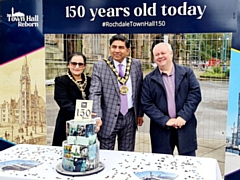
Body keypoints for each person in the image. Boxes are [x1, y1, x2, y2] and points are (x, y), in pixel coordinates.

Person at [141, 42, 202, 156]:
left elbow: (195, 94)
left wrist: (183, 116)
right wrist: (165, 120)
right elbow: (146, 104)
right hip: (161, 129)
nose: (160, 56)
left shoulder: (187, 73)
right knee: (161, 165)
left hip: (185, 125)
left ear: (171, 54)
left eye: (163, 53)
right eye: (157, 54)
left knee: (188, 163)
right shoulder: (149, 80)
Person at [89, 34, 144, 151]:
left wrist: (140, 113)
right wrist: (97, 116)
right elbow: (95, 93)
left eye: (121, 47)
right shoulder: (100, 66)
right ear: (110, 48)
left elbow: (139, 89)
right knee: (106, 154)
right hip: (108, 117)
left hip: (129, 116)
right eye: (114, 47)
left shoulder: (136, 65)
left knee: (127, 154)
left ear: (128, 50)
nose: (117, 50)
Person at [52, 52, 92, 146]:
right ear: (69, 65)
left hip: (87, 122)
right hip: (67, 121)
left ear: (84, 66)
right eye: (74, 63)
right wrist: (81, 114)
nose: (77, 67)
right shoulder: (61, 81)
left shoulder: (90, 81)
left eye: (80, 64)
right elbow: (63, 101)